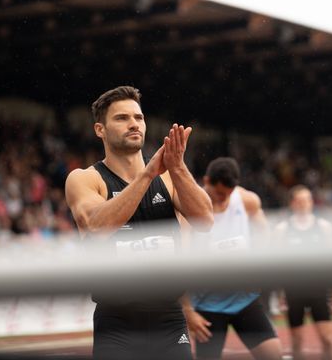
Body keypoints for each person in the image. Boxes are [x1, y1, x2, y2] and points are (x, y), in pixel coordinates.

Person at [65, 86, 213, 360]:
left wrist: (178, 167)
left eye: (139, 117)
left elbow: (205, 219)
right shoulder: (85, 179)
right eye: (121, 118)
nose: (133, 123)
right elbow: (97, 226)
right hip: (117, 320)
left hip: (168, 317)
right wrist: (145, 176)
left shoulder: (168, 175)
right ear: (100, 130)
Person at [183, 157, 281, 360]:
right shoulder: (189, 209)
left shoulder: (247, 201)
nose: (223, 200)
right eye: (218, 193)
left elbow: (265, 238)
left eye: (228, 194)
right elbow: (179, 262)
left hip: (244, 299)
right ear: (206, 181)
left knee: (273, 354)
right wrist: (187, 310)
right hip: (207, 305)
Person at [273, 185, 332, 360]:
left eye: (308, 200)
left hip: (318, 289)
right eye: (300, 200)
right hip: (293, 291)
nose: (304, 204)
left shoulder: (324, 227)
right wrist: (280, 294)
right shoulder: (282, 229)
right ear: (292, 203)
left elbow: (331, 262)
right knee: (297, 341)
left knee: (328, 339)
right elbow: (279, 265)